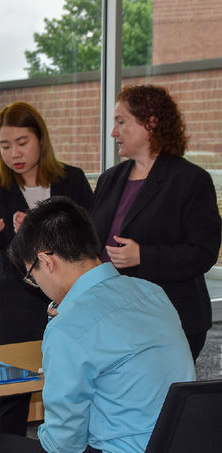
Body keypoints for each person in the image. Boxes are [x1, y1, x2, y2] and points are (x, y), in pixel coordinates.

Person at [0, 196, 195, 453]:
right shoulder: (152, 293)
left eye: (33, 276)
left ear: (46, 261)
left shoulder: (69, 327)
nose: (39, 286)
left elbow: (64, 444)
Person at [0, 101, 93, 436]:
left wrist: (38, 231)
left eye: (22, 143)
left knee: (70, 396)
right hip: (13, 310)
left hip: (68, 306)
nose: (14, 153)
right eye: (5, 146)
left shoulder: (73, 181)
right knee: (10, 401)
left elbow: (90, 240)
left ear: (40, 139)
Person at [91, 84, 221, 362]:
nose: (113, 132)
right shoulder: (109, 179)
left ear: (151, 123)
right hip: (114, 317)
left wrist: (143, 256)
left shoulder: (190, 180)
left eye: (121, 121)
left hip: (170, 321)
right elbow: (93, 243)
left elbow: (203, 253)